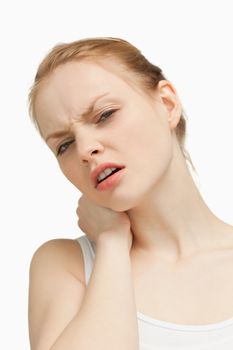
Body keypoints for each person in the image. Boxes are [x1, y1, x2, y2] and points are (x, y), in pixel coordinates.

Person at [27, 37, 233, 350]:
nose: (85, 149)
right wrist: (111, 242)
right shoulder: (65, 265)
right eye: (64, 145)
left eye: (104, 114)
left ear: (166, 104)